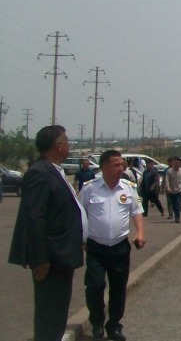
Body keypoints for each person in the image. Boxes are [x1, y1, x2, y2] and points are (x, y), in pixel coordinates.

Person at [8, 125, 87, 341]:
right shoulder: (39, 173)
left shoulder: (54, 171)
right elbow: (35, 218)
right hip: (51, 259)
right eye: (66, 141)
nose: (69, 145)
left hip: (62, 255)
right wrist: (41, 259)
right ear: (58, 146)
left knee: (58, 314)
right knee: (49, 315)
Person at [79, 149, 145, 341]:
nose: (121, 168)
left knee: (118, 288)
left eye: (122, 164)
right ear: (104, 167)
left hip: (119, 247)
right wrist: (81, 239)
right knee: (95, 285)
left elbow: (136, 211)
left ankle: (114, 325)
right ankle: (97, 322)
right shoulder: (90, 188)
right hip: (95, 247)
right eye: (116, 165)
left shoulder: (128, 188)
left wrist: (140, 233)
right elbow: (79, 214)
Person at [163, 157, 181, 223]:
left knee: (178, 204)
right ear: (174, 163)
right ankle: (175, 214)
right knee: (173, 205)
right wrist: (167, 187)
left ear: (180, 163)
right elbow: (166, 180)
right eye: (176, 163)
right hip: (171, 191)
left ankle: (177, 217)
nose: (177, 164)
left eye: (178, 163)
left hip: (179, 190)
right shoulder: (169, 171)